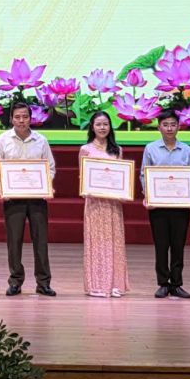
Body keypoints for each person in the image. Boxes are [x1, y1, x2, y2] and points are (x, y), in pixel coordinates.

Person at [0, 102, 55, 297]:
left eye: (25, 117)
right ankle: (15, 281)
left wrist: (46, 184)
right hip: (13, 198)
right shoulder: (2, 140)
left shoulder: (41, 140)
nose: (21, 120)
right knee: (14, 241)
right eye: (17, 117)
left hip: (37, 198)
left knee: (40, 241)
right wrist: (0, 188)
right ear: (11, 119)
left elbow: (50, 167)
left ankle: (43, 282)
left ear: (31, 118)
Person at [140, 109, 190, 299]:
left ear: (179, 127)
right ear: (159, 127)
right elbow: (144, 175)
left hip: (181, 206)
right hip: (158, 206)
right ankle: (163, 283)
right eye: (165, 125)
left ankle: (177, 284)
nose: (169, 128)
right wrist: (148, 196)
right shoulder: (151, 149)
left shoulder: (187, 150)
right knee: (161, 245)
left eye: (173, 124)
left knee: (178, 246)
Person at [81, 110, 130, 298]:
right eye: (98, 124)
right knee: (97, 242)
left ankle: (115, 284)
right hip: (95, 203)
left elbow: (121, 177)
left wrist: (123, 191)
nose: (102, 128)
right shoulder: (86, 149)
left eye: (105, 124)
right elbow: (83, 178)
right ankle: (98, 285)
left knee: (114, 242)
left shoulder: (117, 150)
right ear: (92, 127)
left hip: (113, 203)